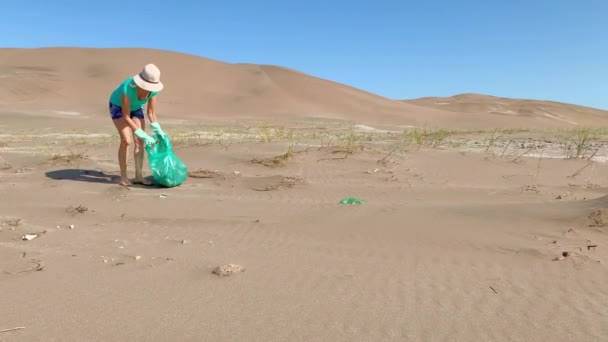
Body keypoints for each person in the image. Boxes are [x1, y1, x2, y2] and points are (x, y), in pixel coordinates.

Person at [108, 63, 167, 186]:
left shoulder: (153, 92)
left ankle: (138, 176)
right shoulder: (128, 87)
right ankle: (123, 177)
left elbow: (151, 113)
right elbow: (125, 115)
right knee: (126, 140)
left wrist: (159, 131)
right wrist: (142, 133)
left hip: (136, 108)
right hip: (118, 107)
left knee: (140, 141)